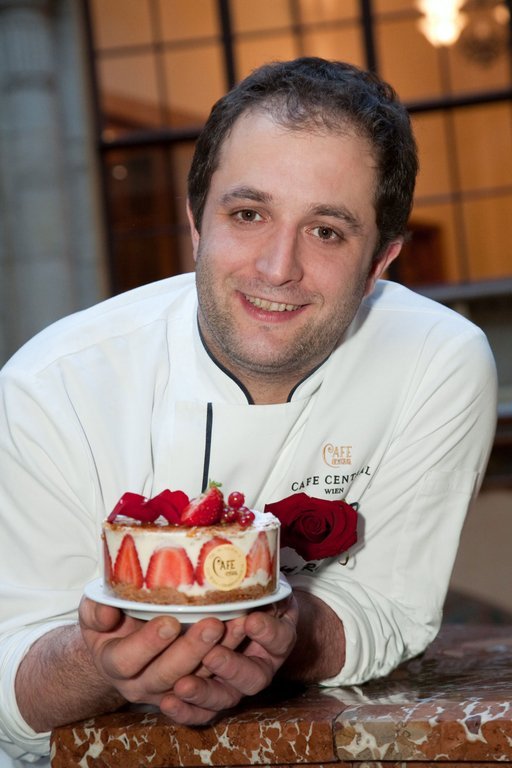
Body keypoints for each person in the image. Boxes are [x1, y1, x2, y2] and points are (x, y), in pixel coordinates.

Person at [0, 57, 497, 767]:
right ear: (196, 224)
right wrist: (98, 662)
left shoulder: (436, 363)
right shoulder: (52, 386)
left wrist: (284, 633)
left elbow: (389, 609)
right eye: (248, 215)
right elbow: (7, 678)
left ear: (379, 263)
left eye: (327, 231)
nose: (276, 267)